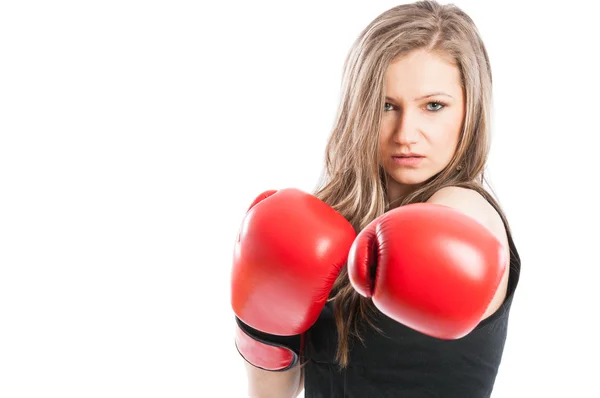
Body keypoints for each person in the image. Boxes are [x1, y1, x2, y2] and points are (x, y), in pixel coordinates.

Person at [230, 1, 521, 397]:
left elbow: (458, 227)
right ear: (360, 110)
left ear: (469, 112)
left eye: (433, 106)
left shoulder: (466, 209)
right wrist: (262, 320)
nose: (406, 133)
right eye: (386, 106)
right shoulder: (326, 225)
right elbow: (270, 395)